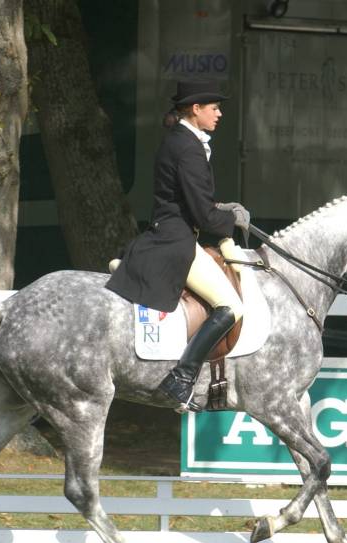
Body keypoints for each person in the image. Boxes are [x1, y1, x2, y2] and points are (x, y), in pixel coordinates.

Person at [106, 80, 250, 412]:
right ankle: (182, 378)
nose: (219, 113)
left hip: (172, 232)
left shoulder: (180, 140)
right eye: (214, 108)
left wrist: (220, 209)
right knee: (231, 306)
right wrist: (232, 219)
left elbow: (191, 201)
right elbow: (202, 214)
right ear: (196, 109)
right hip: (175, 241)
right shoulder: (188, 147)